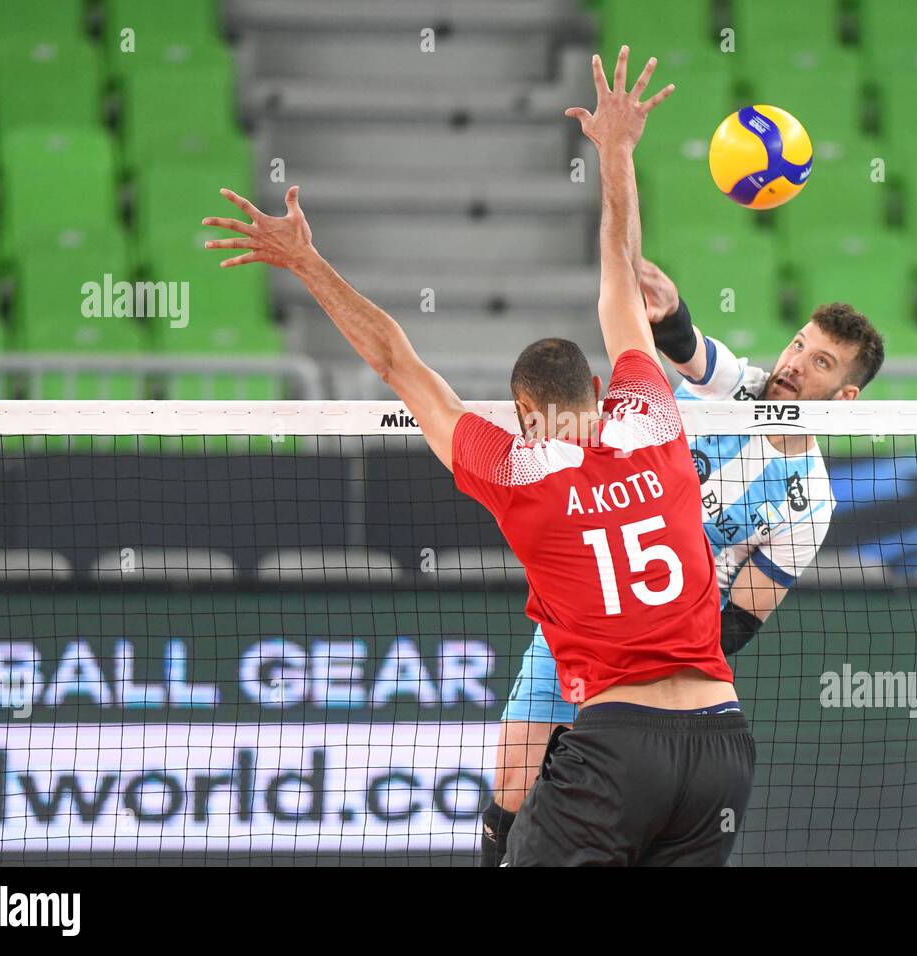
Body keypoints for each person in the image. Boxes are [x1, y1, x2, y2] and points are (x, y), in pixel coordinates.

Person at [203, 46, 755, 866]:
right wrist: (615, 154)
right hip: (721, 747)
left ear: (525, 414)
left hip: (619, 748)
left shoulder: (516, 470)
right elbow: (619, 281)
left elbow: (398, 364)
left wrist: (306, 262)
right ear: (602, 388)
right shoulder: (653, 416)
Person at [482, 264, 886, 866]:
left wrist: (650, 660)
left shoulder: (811, 501)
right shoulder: (736, 387)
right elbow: (686, 346)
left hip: (664, 651)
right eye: (800, 343)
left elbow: (743, 619)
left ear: (845, 397)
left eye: (822, 362)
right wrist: (670, 311)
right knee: (513, 777)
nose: (796, 363)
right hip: (588, 602)